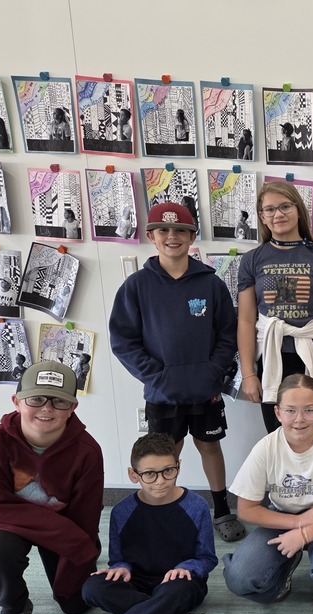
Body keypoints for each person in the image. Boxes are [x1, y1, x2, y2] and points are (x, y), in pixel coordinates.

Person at [42, 434, 217, 614]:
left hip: (181, 584)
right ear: (133, 475)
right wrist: (121, 568)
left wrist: (187, 568)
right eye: (149, 474)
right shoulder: (122, 510)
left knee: (170, 592)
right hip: (139, 582)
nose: (160, 480)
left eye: (168, 471)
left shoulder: (196, 506)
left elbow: (207, 558)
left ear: (178, 466)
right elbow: (119, 558)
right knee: (92, 588)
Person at [110, 202, 245, 542]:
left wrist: (214, 371)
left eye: (181, 231)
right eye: (164, 231)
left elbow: (228, 333)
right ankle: (160, 510)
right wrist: (156, 377)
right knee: (165, 454)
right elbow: (124, 341)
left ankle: (222, 510)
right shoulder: (136, 286)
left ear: (192, 237)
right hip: (162, 393)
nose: (173, 237)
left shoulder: (211, 285)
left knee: (210, 446)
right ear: (152, 236)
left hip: (205, 389)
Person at [0, 361, 104, 614]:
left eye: (58, 401)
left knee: (75, 606)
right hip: (16, 523)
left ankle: (68, 591)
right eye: (36, 399)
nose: (46, 409)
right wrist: (73, 540)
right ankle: (13, 608)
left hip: (67, 523)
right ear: (17, 401)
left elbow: (86, 516)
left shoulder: (87, 452)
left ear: (72, 407)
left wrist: (79, 552)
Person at [223, 374, 313, 611]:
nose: (299, 419)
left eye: (309, 410)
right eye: (290, 411)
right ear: (277, 413)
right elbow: (246, 508)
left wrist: (304, 535)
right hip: (282, 515)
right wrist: (297, 523)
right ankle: (283, 572)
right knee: (238, 578)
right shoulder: (266, 448)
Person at [237, 181, 313, 432]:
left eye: (285, 206)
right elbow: (245, 319)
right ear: (262, 216)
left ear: (298, 210)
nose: (278, 214)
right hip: (271, 356)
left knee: (311, 433)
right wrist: (248, 373)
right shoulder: (252, 259)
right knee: (277, 435)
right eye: (270, 209)